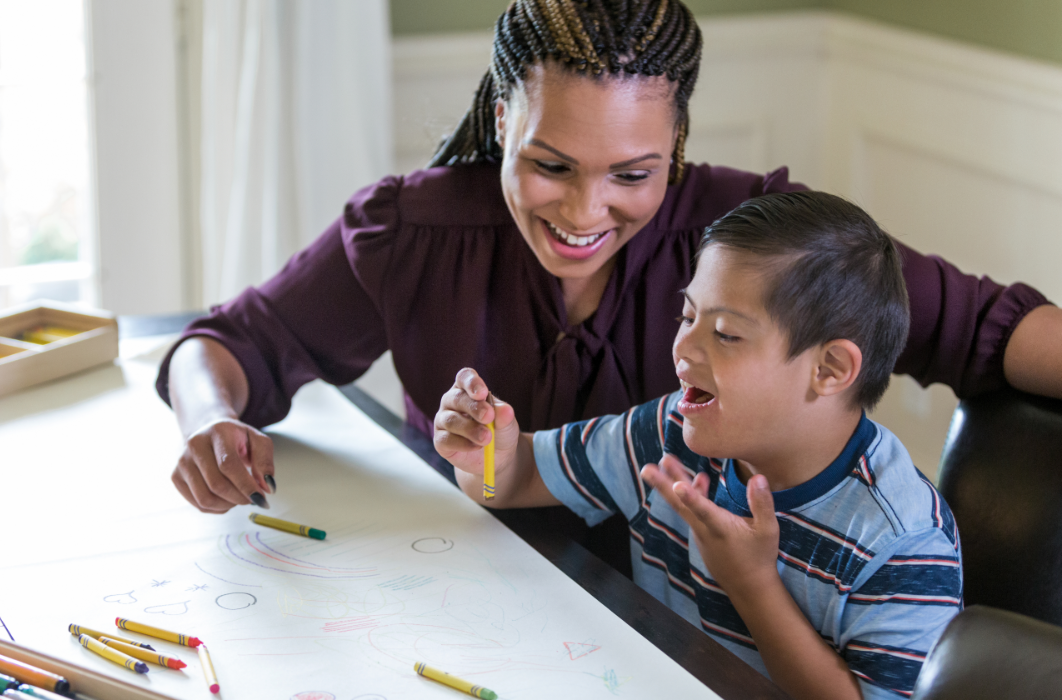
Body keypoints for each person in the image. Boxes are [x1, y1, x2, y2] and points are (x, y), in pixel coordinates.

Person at [156, 0, 1059, 566]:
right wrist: (211, 421)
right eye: (551, 164)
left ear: (676, 143)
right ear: (503, 117)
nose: (586, 211)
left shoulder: (763, 241)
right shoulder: (411, 230)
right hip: (457, 585)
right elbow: (229, 345)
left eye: (633, 173)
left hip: (690, 631)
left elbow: (987, 325)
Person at [436, 191, 962, 700]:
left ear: (829, 369)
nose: (684, 347)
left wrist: (752, 584)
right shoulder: (670, 433)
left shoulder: (904, 541)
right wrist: (489, 454)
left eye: (726, 334)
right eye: (687, 317)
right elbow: (519, 477)